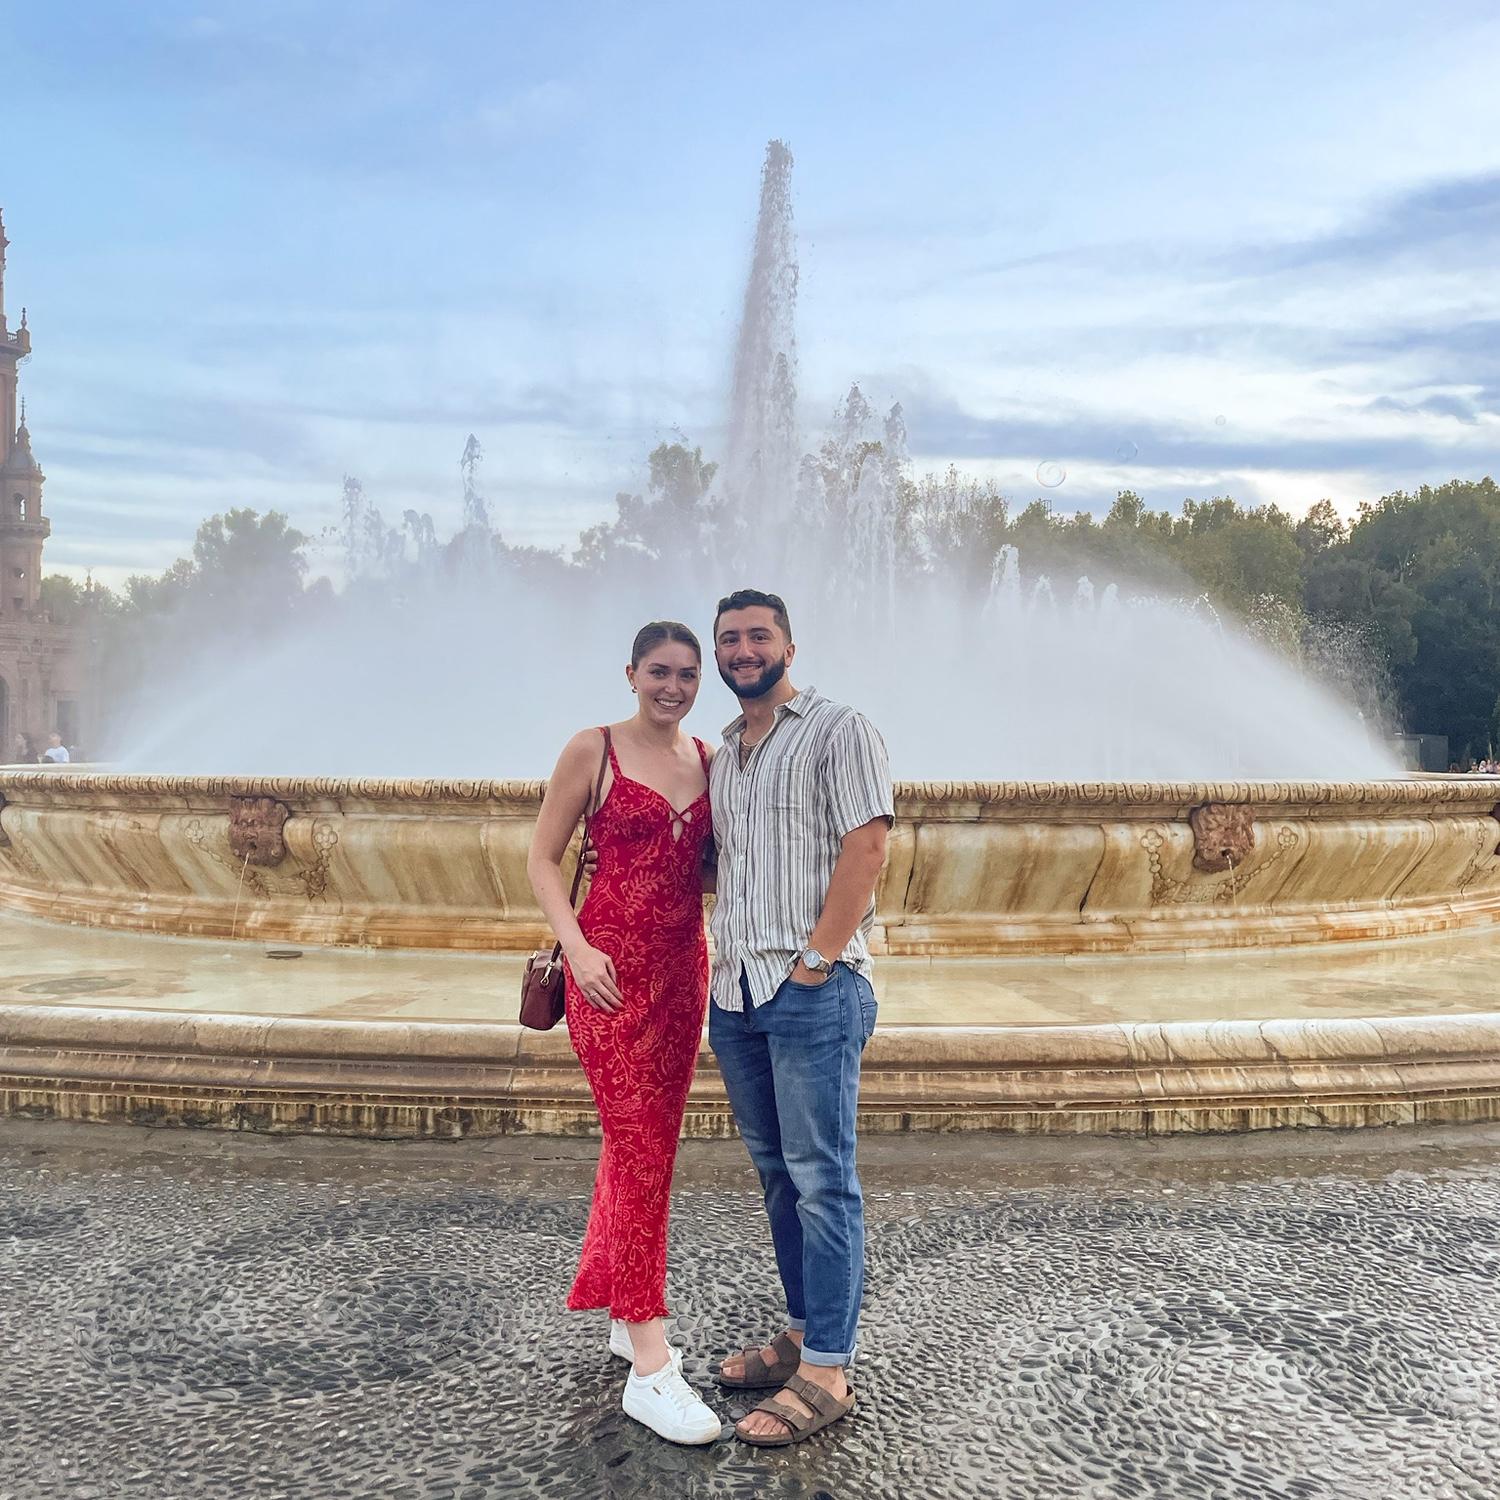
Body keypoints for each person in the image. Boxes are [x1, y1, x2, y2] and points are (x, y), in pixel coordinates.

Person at [526, 620, 722, 1446]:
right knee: (639, 1147)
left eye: (687, 675)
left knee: (645, 1145)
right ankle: (651, 1364)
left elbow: (706, 867)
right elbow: (542, 859)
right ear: (632, 673)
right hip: (606, 973)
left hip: (681, 972)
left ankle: (619, 1304)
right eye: (659, 672)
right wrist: (576, 948)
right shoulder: (593, 749)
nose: (672, 687)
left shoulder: (708, 758)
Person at [706, 588, 893, 1448]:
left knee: (822, 1179)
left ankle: (827, 1370)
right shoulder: (724, 757)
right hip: (738, 994)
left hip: (812, 987)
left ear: (789, 645)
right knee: (779, 1176)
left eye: (758, 636)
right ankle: (801, 1331)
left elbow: (868, 846)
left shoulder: (837, 728)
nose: (743, 650)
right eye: (729, 639)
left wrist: (816, 961)